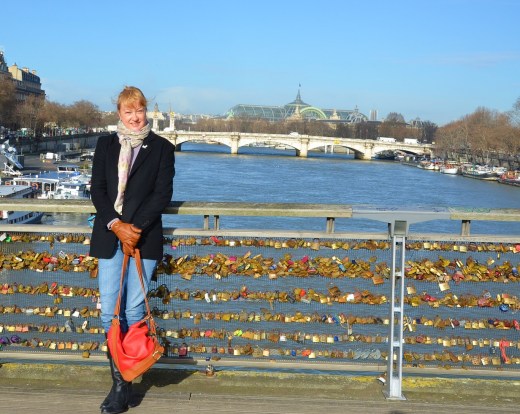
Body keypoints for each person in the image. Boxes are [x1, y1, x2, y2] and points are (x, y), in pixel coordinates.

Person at [90, 86, 175, 414]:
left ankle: (123, 385)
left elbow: (162, 194)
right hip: (110, 236)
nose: (135, 116)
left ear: (146, 111)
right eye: (129, 111)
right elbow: (97, 189)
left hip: (144, 239)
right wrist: (116, 224)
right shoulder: (105, 144)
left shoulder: (162, 148)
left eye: (139, 110)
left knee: (135, 312)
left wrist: (134, 229)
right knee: (110, 313)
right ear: (120, 114)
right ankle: (120, 384)